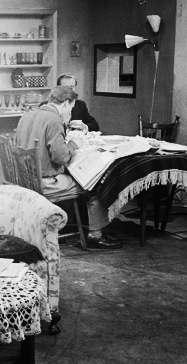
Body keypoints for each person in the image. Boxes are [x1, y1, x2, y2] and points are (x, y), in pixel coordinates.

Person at [16, 85, 122, 249]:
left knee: (77, 178)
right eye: (71, 108)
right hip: (45, 183)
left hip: (25, 179)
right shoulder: (53, 120)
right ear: (65, 102)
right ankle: (95, 234)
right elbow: (61, 157)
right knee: (95, 184)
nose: (70, 113)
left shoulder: (27, 116)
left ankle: (60, 225)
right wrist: (73, 144)